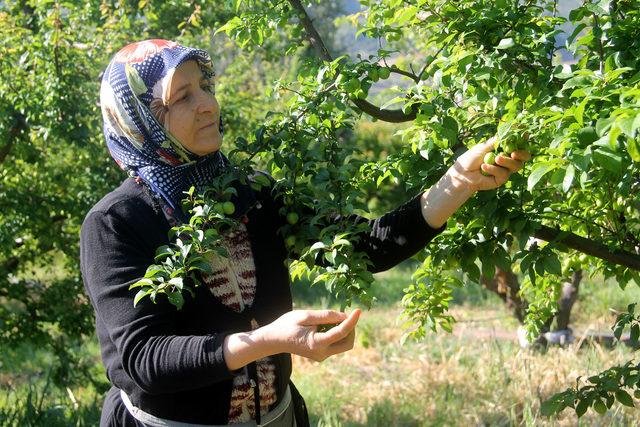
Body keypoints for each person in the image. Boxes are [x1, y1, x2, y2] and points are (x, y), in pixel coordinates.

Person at [80, 39, 530, 426]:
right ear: (140, 119)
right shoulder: (117, 223)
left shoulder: (249, 193)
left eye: (205, 86)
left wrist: (459, 180)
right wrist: (268, 341)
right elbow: (145, 361)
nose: (208, 104)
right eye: (182, 96)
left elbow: (365, 247)